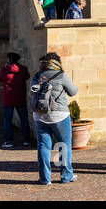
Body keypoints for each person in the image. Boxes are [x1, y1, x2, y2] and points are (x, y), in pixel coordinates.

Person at [30, 52, 79, 185]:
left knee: (43, 147)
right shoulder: (61, 75)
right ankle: (66, 176)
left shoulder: (36, 76)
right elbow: (73, 91)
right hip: (59, 115)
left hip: (39, 116)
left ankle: (45, 178)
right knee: (63, 145)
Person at [0, 52, 32, 148]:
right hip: (20, 98)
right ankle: (26, 140)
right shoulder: (23, 69)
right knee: (24, 119)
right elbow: (27, 76)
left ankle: (8, 141)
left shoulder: (5, 70)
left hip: (8, 98)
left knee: (7, 120)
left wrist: (5, 68)